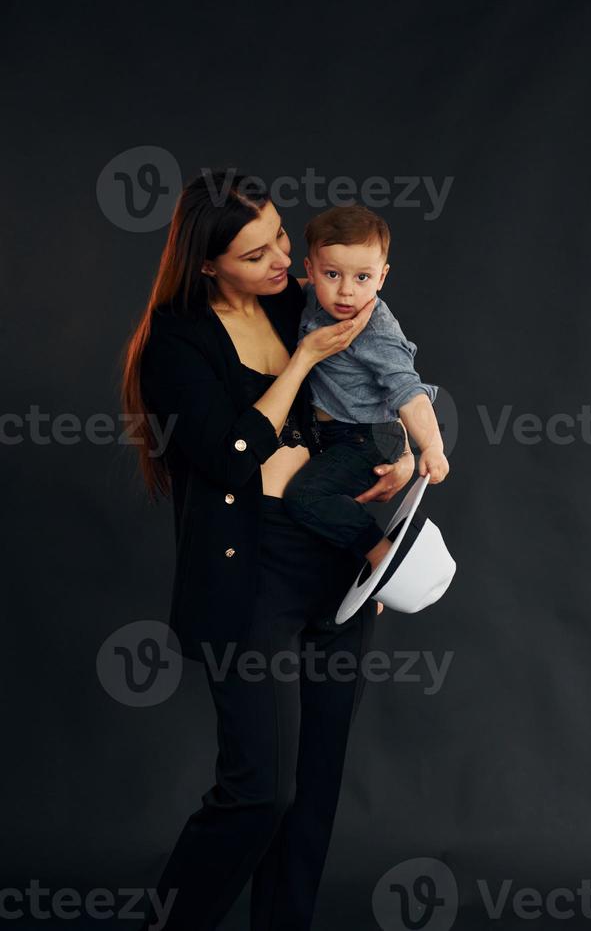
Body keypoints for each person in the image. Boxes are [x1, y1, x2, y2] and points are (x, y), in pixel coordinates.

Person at [120, 169, 415, 931]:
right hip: (253, 570)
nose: (284, 260)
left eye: (280, 236)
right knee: (259, 793)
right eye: (256, 255)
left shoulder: (302, 299)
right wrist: (304, 360)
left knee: (314, 793)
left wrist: (406, 455)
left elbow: (387, 381)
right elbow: (233, 452)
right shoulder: (177, 343)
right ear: (208, 263)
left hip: (338, 556)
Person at [283, 204, 450, 571]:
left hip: (368, 437)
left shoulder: (376, 329)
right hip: (329, 433)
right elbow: (282, 287)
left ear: (382, 277)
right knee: (319, 518)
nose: (345, 292)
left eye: (362, 278)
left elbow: (408, 390)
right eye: (332, 274)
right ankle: (348, 580)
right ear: (310, 271)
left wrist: (432, 447)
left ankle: (380, 556)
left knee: (305, 498)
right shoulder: (312, 295)